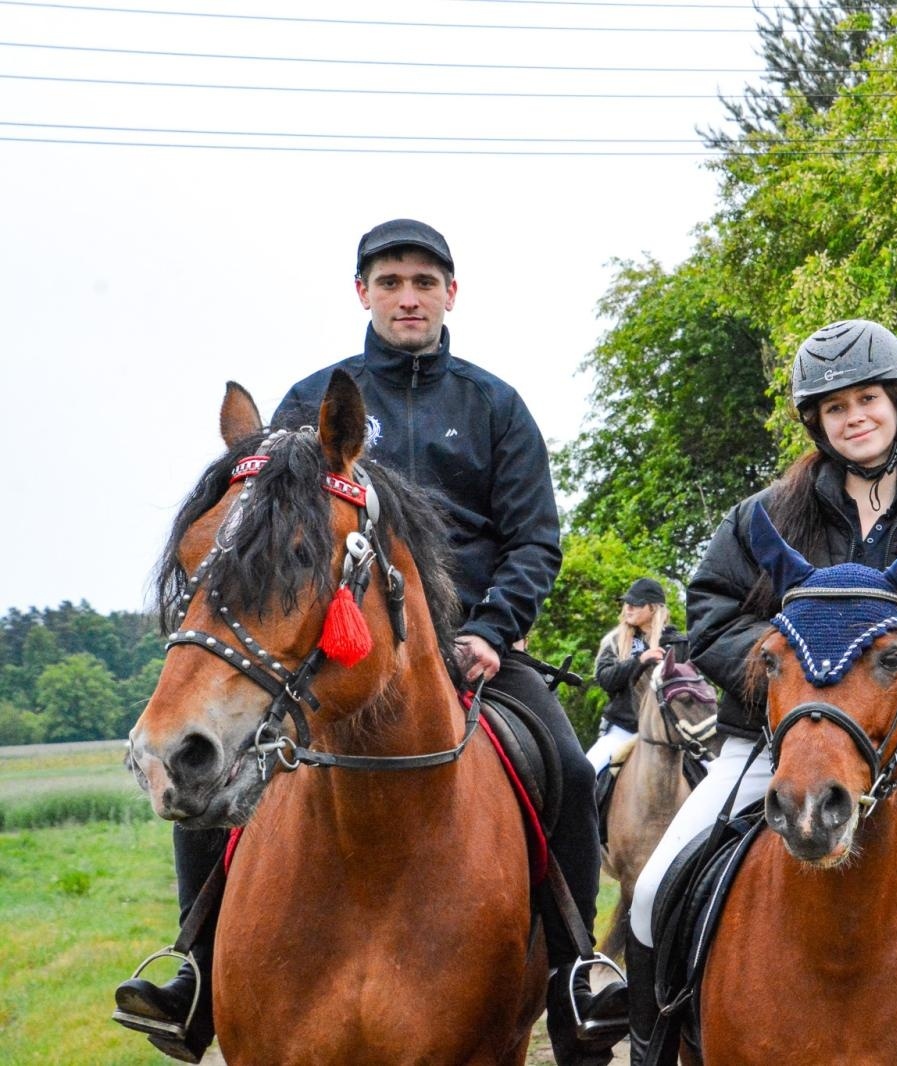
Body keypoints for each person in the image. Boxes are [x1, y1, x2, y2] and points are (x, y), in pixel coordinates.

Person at [114, 219, 623, 1065]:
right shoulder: (309, 404)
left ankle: (577, 978)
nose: (408, 297)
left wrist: (491, 630)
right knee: (218, 775)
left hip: (469, 650)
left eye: (424, 282)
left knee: (566, 765)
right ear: (363, 293)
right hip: (331, 650)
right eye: (390, 282)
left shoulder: (495, 406)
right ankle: (193, 968)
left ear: (451, 294)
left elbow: (535, 540)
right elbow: (260, 538)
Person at [623, 320, 897, 1065]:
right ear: (816, 422)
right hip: (772, 744)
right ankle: (652, 1050)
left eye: (868, 399)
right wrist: (796, 676)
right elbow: (713, 614)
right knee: (655, 889)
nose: (855, 416)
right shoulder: (762, 517)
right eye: (835, 406)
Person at [588, 577, 685, 772]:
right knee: (585, 772)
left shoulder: (678, 644)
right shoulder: (615, 640)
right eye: (627, 603)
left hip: (670, 733)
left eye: (636, 604)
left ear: (653, 608)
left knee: (710, 769)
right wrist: (639, 661)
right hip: (623, 730)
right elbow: (606, 680)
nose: (628, 608)